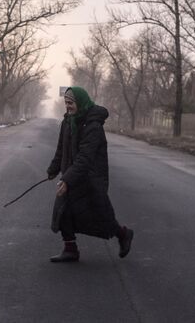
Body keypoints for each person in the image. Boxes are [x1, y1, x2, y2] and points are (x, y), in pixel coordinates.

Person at [46, 86, 134, 262]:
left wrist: (67, 179)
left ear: (80, 102)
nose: (68, 106)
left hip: (90, 179)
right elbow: (61, 150)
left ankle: (123, 234)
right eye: (66, 103)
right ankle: (70, 249)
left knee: (100, 215)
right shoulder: (67, 122)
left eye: (71, 103)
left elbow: (85, 157)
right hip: (72, 175)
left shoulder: (93, 126)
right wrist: (53, 169)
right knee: (63, 211)